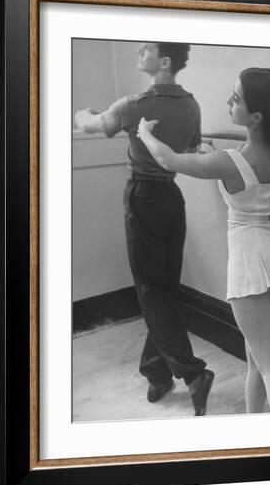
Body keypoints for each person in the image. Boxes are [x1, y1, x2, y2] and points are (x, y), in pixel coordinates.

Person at [137, 67, 270, 413]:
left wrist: (144, 133)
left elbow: (168, 158)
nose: (229, 101)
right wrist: (217, 156)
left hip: (249, 263)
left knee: (269, 361)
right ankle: (254, 430)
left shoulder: (229, 162)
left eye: (237, 98)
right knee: (257, 355)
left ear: (256, 116)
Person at [74, 42, 214, 416]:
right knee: (164, 289)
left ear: (164, 62)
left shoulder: (134, 104)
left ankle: (193, 373)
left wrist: (79, 112)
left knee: (152, 291)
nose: (139, 51)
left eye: (147, 49)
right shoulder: (192, 105)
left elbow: (93, 124)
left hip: (142, 198)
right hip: (173, 198)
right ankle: (157, 372)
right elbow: (193, 146)